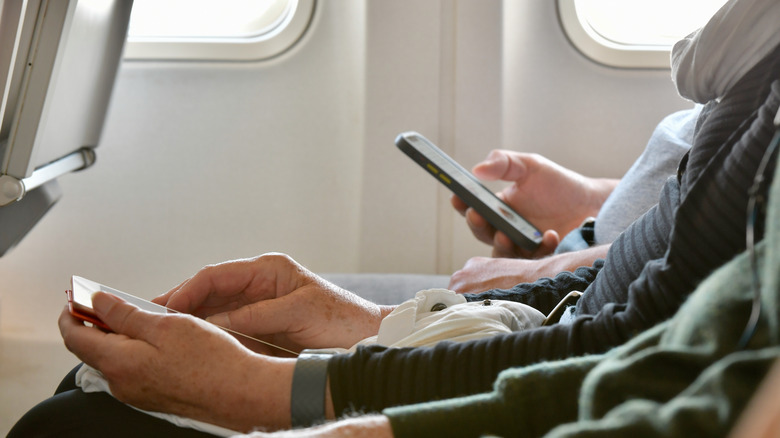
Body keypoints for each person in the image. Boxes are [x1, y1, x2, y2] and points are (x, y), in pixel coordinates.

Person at [9, 0, 780, 435]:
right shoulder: (748, 83)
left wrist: (280, 392)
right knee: (91, 395)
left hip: (559, 357)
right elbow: (648, 286)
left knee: (70, 431)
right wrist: (377, 325)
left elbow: (633, 347)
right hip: (558, 327)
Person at [448, 104, 698, 293]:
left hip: (605, 290)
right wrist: (596, 203)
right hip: (593, 256)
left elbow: (695, 239)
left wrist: (536, 276)